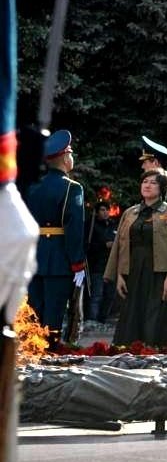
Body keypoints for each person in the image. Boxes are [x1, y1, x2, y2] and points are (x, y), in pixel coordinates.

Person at [104, 169, 167, 345]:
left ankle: (153, 351)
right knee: (131, 313)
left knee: (154, 314)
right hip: (132, 269)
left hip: (158, 272)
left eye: (153, 182)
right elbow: (119, 245)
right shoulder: (130, 212)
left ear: (162, 188)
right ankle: (129, 351)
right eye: (145, 181)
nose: (147, 185)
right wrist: (119, 275)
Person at [26, 130, 86, 341]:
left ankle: (31, 358)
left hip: (33, 256)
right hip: (59, 259)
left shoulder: (31, 187)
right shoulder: (72, 188)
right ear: (64, 158)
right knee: (54, 314)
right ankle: (50, 358)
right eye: (71, 154)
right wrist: (77, 264)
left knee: (33, 312)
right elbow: (74, 229)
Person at [84, 200, 117, 323]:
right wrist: (104, 245)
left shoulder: (113, 225)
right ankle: (92, 320)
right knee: (96, 295)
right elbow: (87, 245)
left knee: (110, 295)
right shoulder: (91, 225)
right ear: (97, 212)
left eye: (107, 210)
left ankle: (102, 319)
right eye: (102, 210)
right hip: (96, 265)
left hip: (111, 265)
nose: (105, 212)